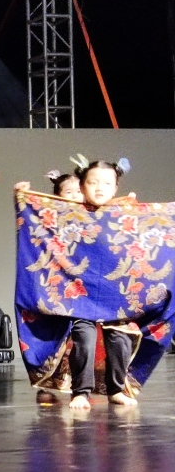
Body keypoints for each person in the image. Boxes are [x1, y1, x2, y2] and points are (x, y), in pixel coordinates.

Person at [66, 156, 137, 410]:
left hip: (113, 292)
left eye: (107, 183)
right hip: (81, 292)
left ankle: (116, 389)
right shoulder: (70, 213)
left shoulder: (125, 215)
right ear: (82, 186)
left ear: (115, 188)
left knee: (120, 340)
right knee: (83, 339)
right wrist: (22, 195)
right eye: (93, 182)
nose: (99, 188)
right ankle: (81, 392)